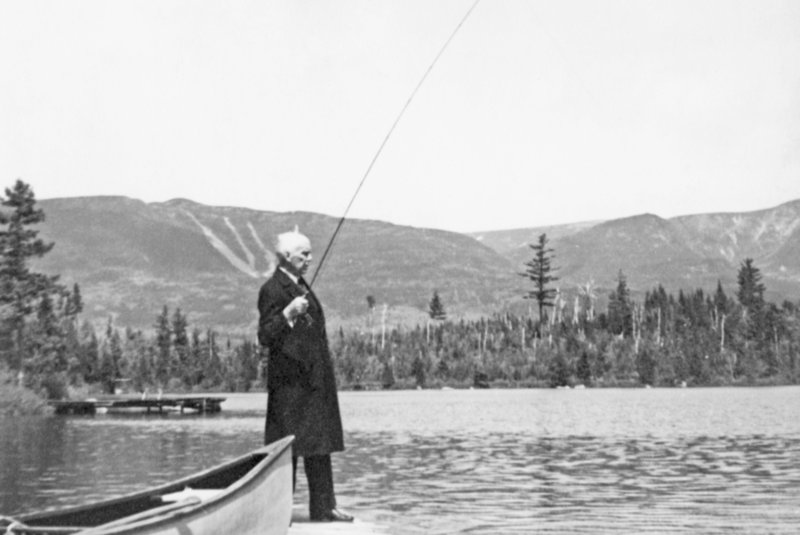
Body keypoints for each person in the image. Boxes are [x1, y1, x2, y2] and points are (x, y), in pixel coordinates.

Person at [257, 230, 353, 523]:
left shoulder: (299, 285)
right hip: (290, 387)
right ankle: (278, 513)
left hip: (312, 382)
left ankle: (324, 508)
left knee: (318, 445)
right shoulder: (273, 290)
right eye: (304, 254)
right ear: (287, 256)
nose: (310, 259)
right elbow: (265, 336)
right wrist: (287, 313)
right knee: (287, 451)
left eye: (311, 254)